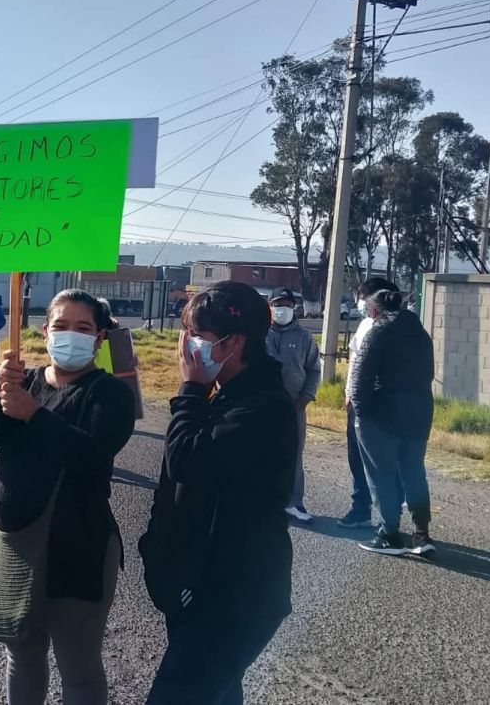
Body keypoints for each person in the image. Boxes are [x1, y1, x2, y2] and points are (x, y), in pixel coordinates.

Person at [0, 288, 135, 705]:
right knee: (21, 652)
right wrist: (0, 392)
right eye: (61, 325)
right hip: (14, 544)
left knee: (78, 666)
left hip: (77, 550)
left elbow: (91, 457)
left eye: (83, 327)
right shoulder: (25, 381)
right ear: (45, 331)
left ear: (99, 338)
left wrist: (33, 414)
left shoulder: (110, 393)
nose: (70, 334)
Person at [139, 281, 297, 704]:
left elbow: (185, 462)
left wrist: (190, 391)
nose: (186, 347)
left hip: (234, 595)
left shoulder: (262, 406)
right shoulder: (230, 395)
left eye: (197, 336)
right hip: (208, 585)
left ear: (235, 342)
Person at [350, 287, 437, 557]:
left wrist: (361, 414)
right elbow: (429, 374)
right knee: (414, 472)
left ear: (374, 310)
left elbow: (360, 378)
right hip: (419, 412)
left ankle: (390, 534)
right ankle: (421, 533)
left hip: (382, 415)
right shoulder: (421, 334)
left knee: (382, 475)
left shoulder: (378, 332)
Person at [338, 277, 404, 529]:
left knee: (388, 462)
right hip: (358, 402)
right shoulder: (365, 324)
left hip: (385, 405)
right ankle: (360, 509)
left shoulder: (398, 326)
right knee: (357, 458)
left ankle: (391, 517)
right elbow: (355, 361)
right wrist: (349, 392)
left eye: (364, 299)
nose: (361, 304)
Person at [265, 287, 320, 524]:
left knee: (293, 455)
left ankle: (294, 502)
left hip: (294, 407)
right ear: (269, 307)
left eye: (287, 305)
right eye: (278, 304)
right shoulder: (259, 334)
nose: (283, 309)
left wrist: (306, 397)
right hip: (263, 406)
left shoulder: (304, 337)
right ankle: (264, 500)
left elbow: (314, 370)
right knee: (262, 452)